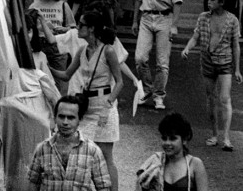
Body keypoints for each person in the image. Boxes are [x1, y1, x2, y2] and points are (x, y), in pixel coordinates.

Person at [50, 11, 124, 191]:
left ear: (91, 29)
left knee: (106, 156)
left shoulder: (108, 50)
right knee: (81, 152)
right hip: (86, 108)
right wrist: (46, 66)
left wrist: (109, 104)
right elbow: (67, 75)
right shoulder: (82, 51)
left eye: (81, 25)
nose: (78, 28)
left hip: (104, 107)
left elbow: (120, 82)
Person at [181, 0, 242, 151]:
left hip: (225, 62)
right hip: (207, 61)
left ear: (221, 2)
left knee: (225, 98)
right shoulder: (203, 18)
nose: (209, 3)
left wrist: (237, 69)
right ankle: (214, 134)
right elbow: (196, 37)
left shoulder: (232, 20)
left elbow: (235, 46)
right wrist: (187, 48)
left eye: (212, 0)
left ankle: (227, 138)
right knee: (211, 98)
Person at [132, 0, 182, 110]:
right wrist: (134, 20)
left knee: (162, 62)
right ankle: (147, 89)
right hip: (146, 18)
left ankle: (159, 95)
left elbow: (177, 2)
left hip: (164, 19)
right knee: (140, 58)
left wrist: (174, 25)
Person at [28, 95, 112, 191]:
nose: (65, 122)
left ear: (79, 120)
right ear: (55, 118)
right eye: (61, 116)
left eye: (71, 118)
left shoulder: (92, 151)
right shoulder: (42, 149)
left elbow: (103, 187)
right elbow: (32, 184)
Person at [136, 113, 209, 191]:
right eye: (164, 138)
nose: (167, 143)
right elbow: (139, 187)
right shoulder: (155, 163)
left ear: (184, 140)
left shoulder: (195, 164)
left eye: (172, 139)